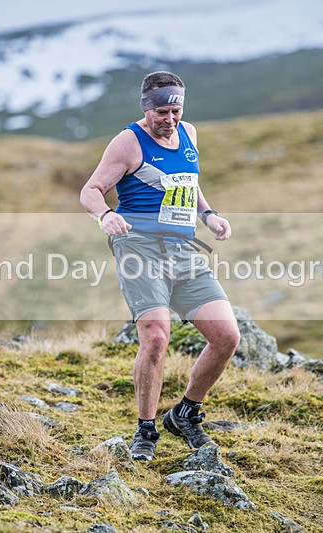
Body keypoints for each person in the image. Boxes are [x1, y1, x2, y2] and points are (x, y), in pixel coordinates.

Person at [79, 71, 241, 461]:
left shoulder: (189, 133)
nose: (170, 120)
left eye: (176, 111)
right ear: (146, 108)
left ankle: (185, 413)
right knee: (155, 336)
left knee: (226, 336)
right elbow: (91, 190)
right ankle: (146, 431)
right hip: (139, 248)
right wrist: (105, 216)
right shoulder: (128, 142)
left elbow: (187, 182)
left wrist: (209, 215)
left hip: (183, 250)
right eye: (162, 113)